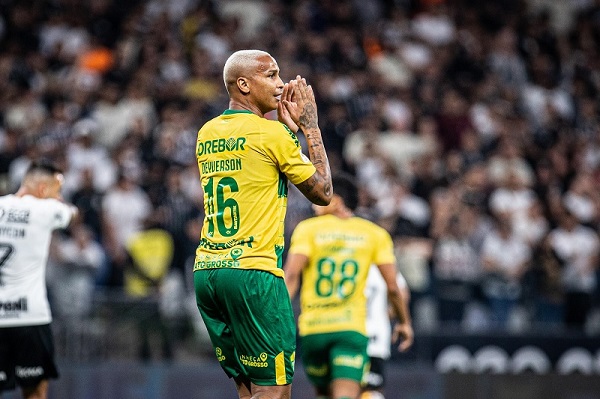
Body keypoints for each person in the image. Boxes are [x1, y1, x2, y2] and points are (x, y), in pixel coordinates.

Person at [193, 49, 332, 399]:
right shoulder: (271, 135)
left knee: (249, 388)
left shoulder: (207, 132)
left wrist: (285, 132)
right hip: (254, 273)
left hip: (208, 271)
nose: (281, 83)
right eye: (270, 75)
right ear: (243, 84)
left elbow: (254, 164)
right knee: (274, 391)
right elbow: (323, 192)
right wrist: (309, 128)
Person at [284, 173, 413, 399]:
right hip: (349, 329)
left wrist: (280, 318)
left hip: (313, 330)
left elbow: (292, 275)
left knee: (324, 395)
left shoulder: (308, 229)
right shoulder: (374, 234)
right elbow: (393, 287)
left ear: (336, 200)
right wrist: (404, 322)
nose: (314, 205)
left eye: (319, 197)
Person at [0, 161, 78, 399]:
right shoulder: (45, 210)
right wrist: (60, 203)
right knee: (35, 392)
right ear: (44, 190)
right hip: (30, 317)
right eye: (57, 190)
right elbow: (72, 214)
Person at [361, 266, 411, 399]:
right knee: (372, 391)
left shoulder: (351, 258)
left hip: (349, 332)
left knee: (344, 388)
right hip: (375, 338)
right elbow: (401, 293)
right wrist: (390, 316)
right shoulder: (383, 264)